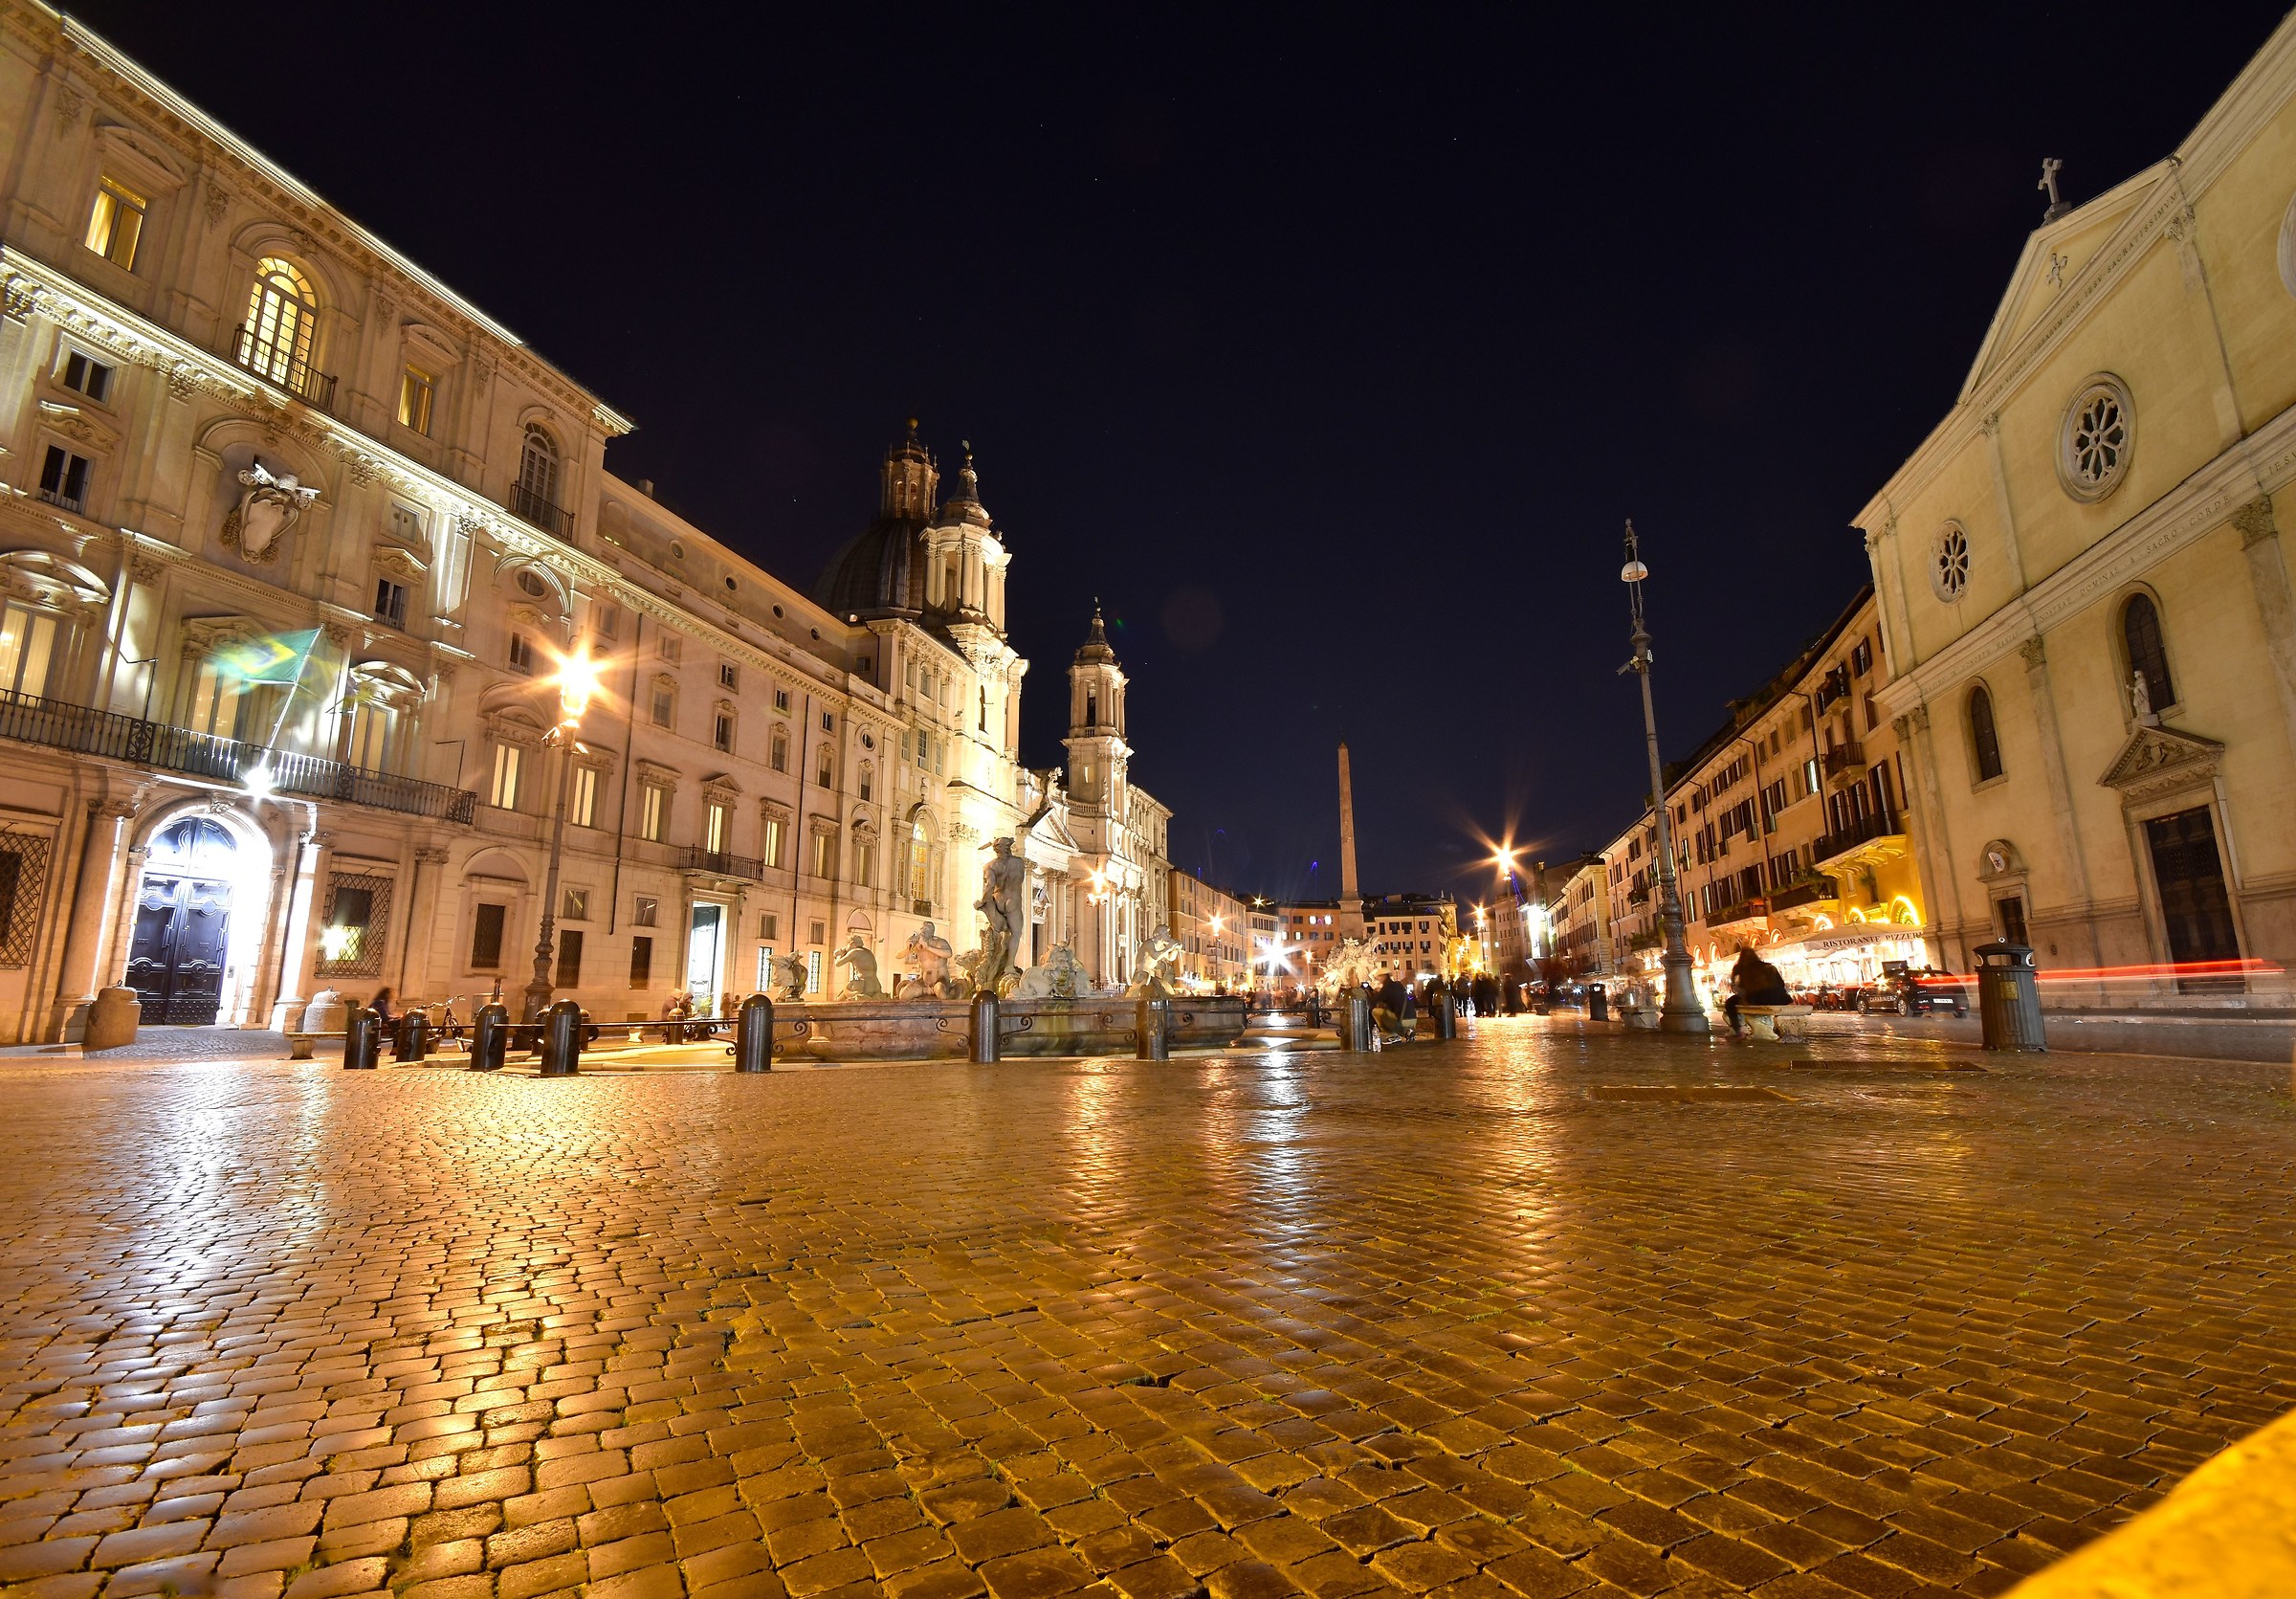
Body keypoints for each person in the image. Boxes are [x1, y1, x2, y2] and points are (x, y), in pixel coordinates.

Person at [1723, 948, 1792, 1036]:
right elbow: (1781, 984)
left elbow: (1736, 985)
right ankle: (1776, 1028)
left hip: (1757, 998)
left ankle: (1737, 1030)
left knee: (1729, 1003)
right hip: (1781, 998)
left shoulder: (1740, 967)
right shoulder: (1769, 967)